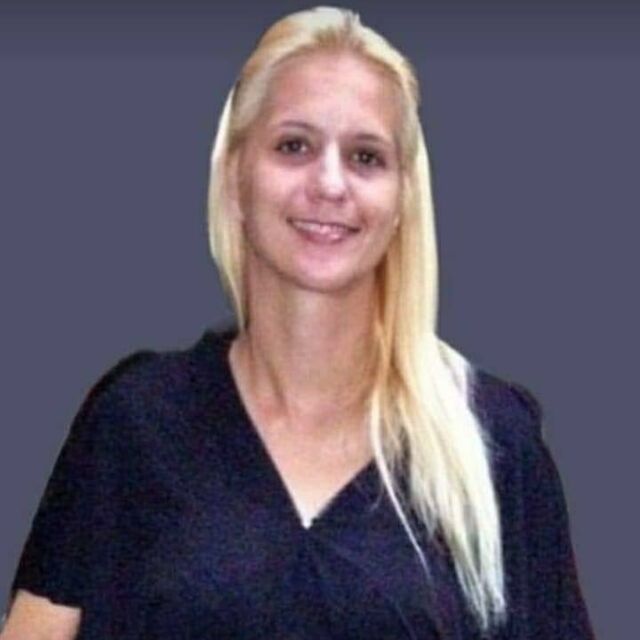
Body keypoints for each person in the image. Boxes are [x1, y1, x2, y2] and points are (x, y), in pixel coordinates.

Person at [1, 6, 595, 639]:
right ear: (236, 176)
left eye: (366, 156)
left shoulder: (491, 442)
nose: (330, 183)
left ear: (403, 198)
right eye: (294, 146)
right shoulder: (137, 424)